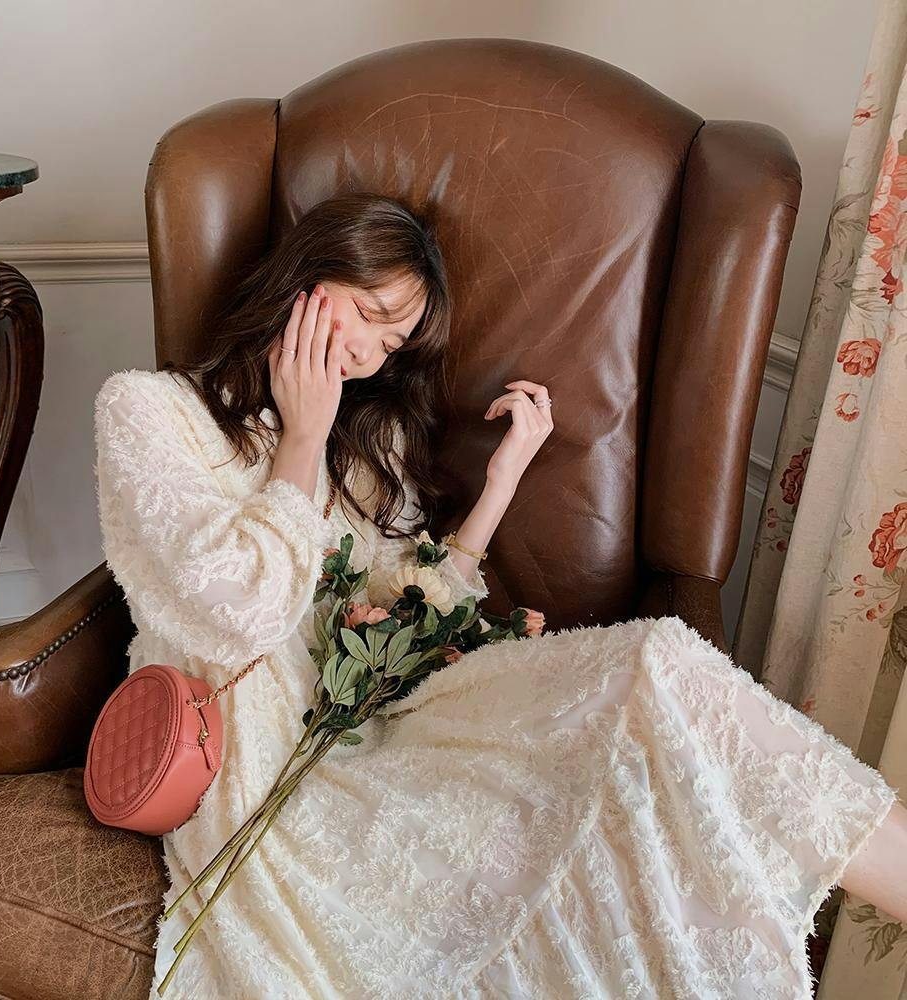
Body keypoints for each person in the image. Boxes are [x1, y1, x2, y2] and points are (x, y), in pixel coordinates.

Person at [93, 192, 905, 999]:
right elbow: (238, 617)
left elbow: (408, 614)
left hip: (381, 724)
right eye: (369, 313)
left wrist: (502, 481)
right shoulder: (148, 411)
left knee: (656, 662)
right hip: (264, 772)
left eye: (392, 340)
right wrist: (301, 437)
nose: (368, 353)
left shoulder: (363, 440)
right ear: (306, 275)